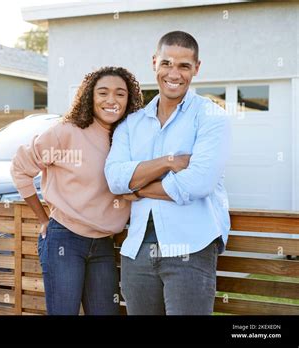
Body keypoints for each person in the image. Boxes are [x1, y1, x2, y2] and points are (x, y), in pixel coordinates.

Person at [105, 31, 232, 315]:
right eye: (167, 63)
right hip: (137, 251)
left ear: (196, 68)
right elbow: (114, 178)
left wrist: (135, 189)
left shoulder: (212, 117)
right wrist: (167, 163)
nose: (174, 73)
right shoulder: (131, 124)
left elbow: (198, 183)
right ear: (154, 63)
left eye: (184, 66)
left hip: (192, 248)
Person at [10, 66, 141, 315]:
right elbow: (20, 168)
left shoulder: (128, 138)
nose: (111, 100)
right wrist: (43, 218)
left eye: (120, 94)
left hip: (104, 243)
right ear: (90, 96)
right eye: (103, 93)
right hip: (65, 239)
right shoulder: (67, 132)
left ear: (130, 99)